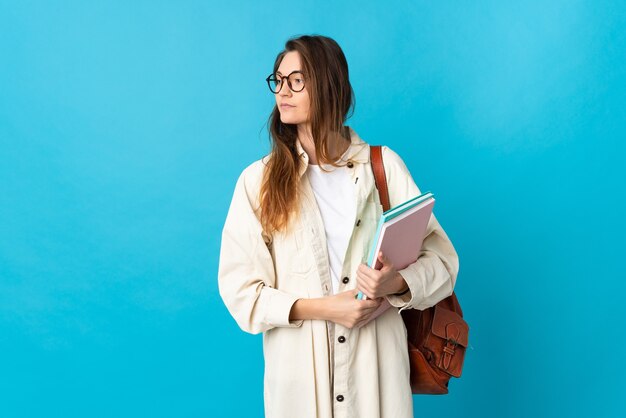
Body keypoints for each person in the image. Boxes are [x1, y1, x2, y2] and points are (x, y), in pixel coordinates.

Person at [218, 34, 459, 418]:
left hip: (376, 373)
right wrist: (325, 309)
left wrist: (394, 284)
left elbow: (444, 264)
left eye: (297, 80)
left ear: (329, 84)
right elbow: (241, 292)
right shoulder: (258, 182)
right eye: (278, 80)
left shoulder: (383, 167)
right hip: (299, 380)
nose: (283, 90)